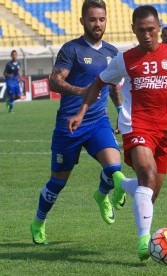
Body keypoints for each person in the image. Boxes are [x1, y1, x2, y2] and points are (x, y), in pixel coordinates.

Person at [68, 5, 167, 261]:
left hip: (165, 131)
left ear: (159, 28)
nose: (147, 35)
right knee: (147, 175)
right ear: (133, 30)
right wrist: (81, 112)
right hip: (135, 126)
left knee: (150, 191)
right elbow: (98, 84)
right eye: (141, 30)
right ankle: (144, 242)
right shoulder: (124, 59)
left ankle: (119, 185)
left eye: (151, 29)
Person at [30, 0, 125, 245]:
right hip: (68, 126)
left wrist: (122, 112)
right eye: (92, 19)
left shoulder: (112, 53)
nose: (97, 24)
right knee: (57, 183)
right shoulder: (71, 49)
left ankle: (102, 195)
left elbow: (114, 86)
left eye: (101, 19)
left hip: (98, 122)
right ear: (82, 21)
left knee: (115, 169)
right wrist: (80, 91)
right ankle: (39, 221)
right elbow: (54, 81)